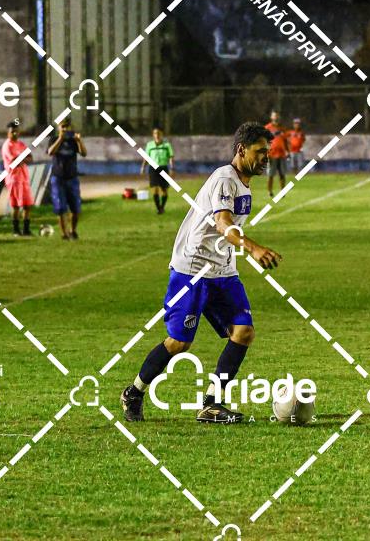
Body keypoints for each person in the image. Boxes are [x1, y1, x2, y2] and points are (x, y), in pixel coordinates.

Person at [120, 122, 282, 424]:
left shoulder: (243, 182)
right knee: (179, 343)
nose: (266, 158)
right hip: (192, 270)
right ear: (241, 150)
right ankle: (134, 392)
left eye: (267, 152)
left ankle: (212, 404)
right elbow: (223, 223)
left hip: (223, 270)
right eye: (260, 152)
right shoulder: (224, 179)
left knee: (243, 332)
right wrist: (253, 248)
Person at [47, 118, 87, 240]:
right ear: (58, 128)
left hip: (72, 178)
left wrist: (79, 141)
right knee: (60, 208)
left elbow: (84, 153)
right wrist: (60, 139)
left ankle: (73, 231)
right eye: (62, 126)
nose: (64, 129)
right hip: (58, 178)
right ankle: (64, 234)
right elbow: (50, 152)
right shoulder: (53, 139)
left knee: (76, 208)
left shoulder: (73, 141)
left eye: (66, 126)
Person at [0, 122, 34, 236]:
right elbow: (15, 162)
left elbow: (30, 158)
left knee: (27, 205)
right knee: (16, 206)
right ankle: (16, 230)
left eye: (16, 131)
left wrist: (21, 158)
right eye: (12, 132)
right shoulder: (7, 146)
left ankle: (26, 230)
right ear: (8, 133)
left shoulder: (21, 144)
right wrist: (22, 158)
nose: (14, 134)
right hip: (14, 178)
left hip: (24, 177)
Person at [141, 126, 175, 215]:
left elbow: (171, 157)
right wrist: (143, 167)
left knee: (164, 190)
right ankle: (158, 208)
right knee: (155, 189)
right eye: (155, 133)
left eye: (159, 133)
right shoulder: (149, 145)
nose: (157, 135)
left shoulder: (167, 145)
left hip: (163, 168)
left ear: (162, 134)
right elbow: (146, 157)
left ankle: (162, 207)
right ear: (153, 135)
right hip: (153, 168)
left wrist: (172, 168)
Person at [264, 110, 288, 197]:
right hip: (271, 155)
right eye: (274, 116)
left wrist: (287, 151)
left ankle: (282, 192)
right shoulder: (267, 128)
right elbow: (264, 141)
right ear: (271, 117)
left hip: (282, 154)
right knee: (270, 175)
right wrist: (265, 153)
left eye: (277, 116)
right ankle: (269, 191)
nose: (276, 117)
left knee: (282, 174)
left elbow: (285, 141)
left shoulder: (282, 128)